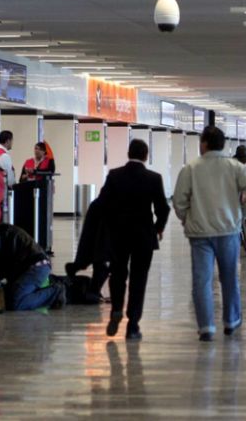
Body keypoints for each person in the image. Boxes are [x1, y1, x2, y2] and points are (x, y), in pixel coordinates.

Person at [173, 126, 246, 342]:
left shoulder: (190, 168)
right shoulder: (236, 167)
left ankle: (206, 327)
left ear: (203, 144)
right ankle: (231, 321)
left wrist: (187, 218)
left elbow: (179, 201)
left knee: (202, 281)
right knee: (229, 277)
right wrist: (241, 213)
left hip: (200, 233)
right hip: (228, 231)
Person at [99, 139, 170, 341]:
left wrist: (111, 225)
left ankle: (116, 309)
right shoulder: (153, 178)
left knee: (118, 273)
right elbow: (163, 208)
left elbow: (103, 203)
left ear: (128, 153)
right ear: (146, 156)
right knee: (139, 279)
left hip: (118, 235)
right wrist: (158, 229)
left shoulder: (114, 175)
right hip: (143, 236)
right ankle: (133, 325)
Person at [0, 215, 66, 311]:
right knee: (6, 298)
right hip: (34, 268)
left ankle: (56, 292)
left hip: (35, 268)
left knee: (16, 303)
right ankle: (37, 292)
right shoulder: (2, 232)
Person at [0, 131, 16, 221]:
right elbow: (9, 179)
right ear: (7, 141)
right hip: (2, 191)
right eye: (12, 140)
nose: (12, 143)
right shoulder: (4, 155)